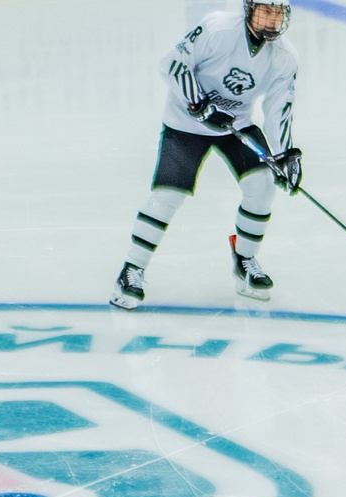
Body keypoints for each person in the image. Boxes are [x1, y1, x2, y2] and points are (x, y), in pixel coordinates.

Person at [112, 0, 300, 310]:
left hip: (235, 124)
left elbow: (280, 107)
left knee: (263, 185)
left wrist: (284, 154)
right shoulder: (217, 28)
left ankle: (245, 260)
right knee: (167, 196)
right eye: (265, 11)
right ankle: (131, 269)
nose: (271, 20)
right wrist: (198, 104)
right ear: (249, 9)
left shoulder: (285, 56)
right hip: (185, 123)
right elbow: (171, 63)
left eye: (278, 13)